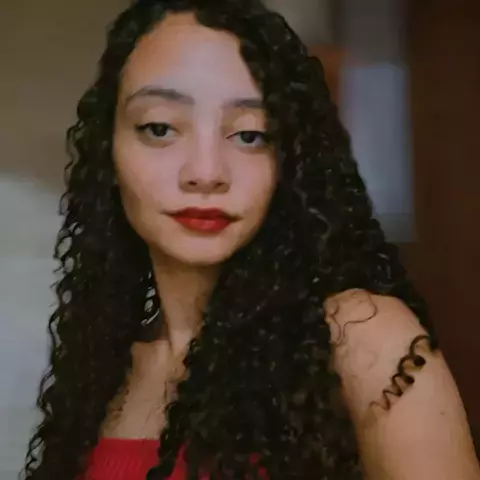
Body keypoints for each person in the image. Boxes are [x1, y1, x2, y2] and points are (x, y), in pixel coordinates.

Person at [22, 0, 480, 479]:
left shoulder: (359, 338)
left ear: (290, 160)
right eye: (159, 128)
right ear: (109, 153)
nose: (206, 173)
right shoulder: (105, 369)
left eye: (249, 135)